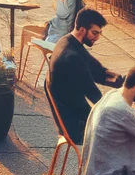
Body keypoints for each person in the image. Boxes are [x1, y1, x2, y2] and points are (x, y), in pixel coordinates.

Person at [47, 8, 123, 145]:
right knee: (124, 133)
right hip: (76, 126)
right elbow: (95, 96)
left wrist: (123, 82)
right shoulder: (72, 57)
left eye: (100, 33)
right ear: (82, 30)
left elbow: (97, 70)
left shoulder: (67, 42)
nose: (97, 37)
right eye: (94, 33)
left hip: (74, 115)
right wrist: (122, 108)